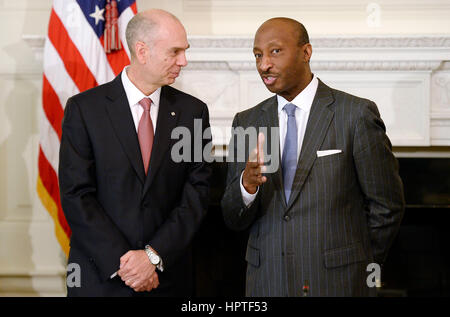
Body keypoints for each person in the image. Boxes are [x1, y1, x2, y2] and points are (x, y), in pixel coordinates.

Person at [221, 17, 405, 297]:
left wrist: (359, 264)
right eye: (257, 55)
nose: (263, 65)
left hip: (339, 284)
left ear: (306, 52)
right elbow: (233, 218)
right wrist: (246, 186)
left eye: (275, 51)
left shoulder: (355, 115)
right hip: (267, 282)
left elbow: (386, 206)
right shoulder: (247, 121)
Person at [59, 9, 212, 296]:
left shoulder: (193, 112)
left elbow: (197, 193)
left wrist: (152, 257)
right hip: (99, 277)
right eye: (175, 51)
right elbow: (76, 195)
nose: (184, 61)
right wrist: (127, 264)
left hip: (167, 278)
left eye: (185, 51)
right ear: (142, 51)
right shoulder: (84, 110)